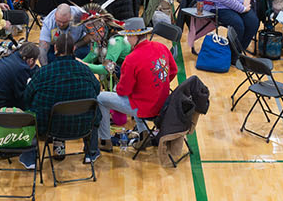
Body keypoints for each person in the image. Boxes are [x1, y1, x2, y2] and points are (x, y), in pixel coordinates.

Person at [94, 19, 177, 149]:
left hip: (145, 107)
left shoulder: (131, 59)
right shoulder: (162, 47)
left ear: (134, 36)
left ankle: (105, 141)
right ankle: (144, 134)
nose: (126, 39)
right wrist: (157, 85)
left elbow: (123, 91)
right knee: (138, 93)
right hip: (163, 102)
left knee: (100, 98)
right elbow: (173, 71)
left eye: (127, 36)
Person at [23, 31, 102, 167]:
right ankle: (91, 153)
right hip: (83, 125)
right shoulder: (86, 71)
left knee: (32, 113)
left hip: (49, 127)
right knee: (94, 111)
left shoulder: (44, 72)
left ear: (55, 49)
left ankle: (31, 159)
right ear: (73, 49)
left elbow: (27, 97)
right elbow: (97, 90)